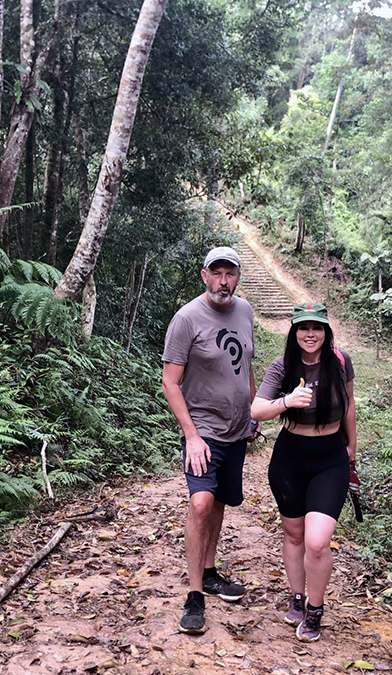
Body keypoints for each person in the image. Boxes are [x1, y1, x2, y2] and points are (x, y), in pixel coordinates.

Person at [162, 246, 260, 634]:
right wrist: (191, 436)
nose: (223, 281)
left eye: (229, 273)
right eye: (216, 273)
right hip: (202, 430)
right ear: (204, 276)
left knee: (219, 501)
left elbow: (245, 365)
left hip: (237, 429)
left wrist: (253, 410)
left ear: (238, 277)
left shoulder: (245, 311)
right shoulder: (187, 318)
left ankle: (209, 571)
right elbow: (170, 382)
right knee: (200, 503)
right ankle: (195, 595)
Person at [250, 302, 357, 642]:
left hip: (330, 458)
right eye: (303, 328)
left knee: (317, 542)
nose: (310, 334)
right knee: (294, 534)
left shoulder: (340, 362)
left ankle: (315, 608)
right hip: (290, 458)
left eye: (317, 327)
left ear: (326, 331)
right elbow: (257, 409)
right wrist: (287, 401)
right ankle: (297, 596)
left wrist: (352, 447)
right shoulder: (282, 365)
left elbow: (349, 405)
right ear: (294, 331)